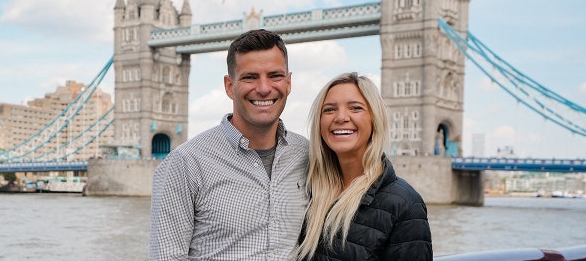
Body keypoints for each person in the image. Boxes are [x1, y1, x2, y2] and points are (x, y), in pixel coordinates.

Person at [150, 29, 309, 260]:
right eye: (250, 77)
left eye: (275, 76)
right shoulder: (185, 163)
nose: (264, 88)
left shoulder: (307, 154)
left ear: (288, 82)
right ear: (228, 86)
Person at [296, 72, 432, 260]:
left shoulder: (405, 205)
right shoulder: (306, 189)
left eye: (355, 108)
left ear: (374, 120)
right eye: (329, 110)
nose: (341, 117)